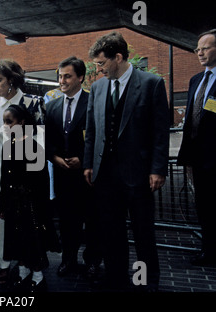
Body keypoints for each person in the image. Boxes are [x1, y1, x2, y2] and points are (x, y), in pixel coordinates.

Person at [83, 32, 170, 292]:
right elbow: (92, 130)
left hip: (139, 174)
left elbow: (159, 132)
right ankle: (116, 278)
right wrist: (88, 163)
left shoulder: (151, 83)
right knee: (111, 231)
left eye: (101, 64)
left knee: (143, 233)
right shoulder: (98, 87)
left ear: (118, 57)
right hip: (105, 175)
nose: (98, 70)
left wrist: (157, 169)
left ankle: (146, 280)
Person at [0, 59, 45, 286]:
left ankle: (30, 264)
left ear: (11, 80)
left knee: (28, 222)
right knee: (2, 219)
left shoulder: (31, 102)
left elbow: (39, 139)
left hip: (26, 175)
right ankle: (5, 265)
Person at [45, 56, 101, 280]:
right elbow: (46, 138)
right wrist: (54, 157)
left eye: (67, 76)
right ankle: (68, 260)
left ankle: (93, 262)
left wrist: (84, 159)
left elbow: (99, 137)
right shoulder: (52, 106)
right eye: (60, 76)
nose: (62, 80)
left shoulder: (94, 103)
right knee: (68, 222)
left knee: (93, 221)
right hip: (63, 176)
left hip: (87, 176)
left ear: (80, 77)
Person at [0, 104, 59, 292]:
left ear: (22, 122)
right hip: (13, 203)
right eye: (4, 123)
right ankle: (23, 272)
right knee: (16, 239)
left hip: (31, 204)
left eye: (10, 122)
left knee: (32, 240)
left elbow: (41, 181)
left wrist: (42, 207)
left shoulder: (33, 147)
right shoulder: (7, 146)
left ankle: (38, 275)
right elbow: (4, 177)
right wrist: (3, 202)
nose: (6, 127)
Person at [177, 29, 216, 267]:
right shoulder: (195, 80)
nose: (200, 53)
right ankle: (209, 251)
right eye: (197, 49)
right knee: (205, 208)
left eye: (206, 48)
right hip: (199, 160)